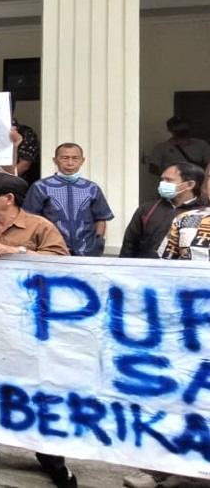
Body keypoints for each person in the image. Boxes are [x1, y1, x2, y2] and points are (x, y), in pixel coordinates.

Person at [0, 171, 76, 488]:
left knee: (34, 388)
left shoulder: (39, 227)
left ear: (8, 199)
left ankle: (50, 457)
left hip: (28, 324)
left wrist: (19, 252)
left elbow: (62, 262)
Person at [123, 165, 210, 488]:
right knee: (179, 397)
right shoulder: (185, 220)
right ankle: (164, 465)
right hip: (187, 333)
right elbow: (161, 272)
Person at [23, 143, 114, 256]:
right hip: (52, 250)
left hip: (87, 251)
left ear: (82, 161)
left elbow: (101, 218)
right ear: (55, 160)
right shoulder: (41, 187)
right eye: (64, 158)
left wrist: (97, 242)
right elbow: (30, 218)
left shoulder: (91, 188)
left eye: (75, 158)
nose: (70, 163)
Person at [119, 163, 206, 259]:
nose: (162, 184)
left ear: (189, 185)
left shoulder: (204, 213)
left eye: (169, 180)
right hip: (145, 270)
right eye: (162, 179)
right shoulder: (147, 209)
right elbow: (129, 244)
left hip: (185, 271)